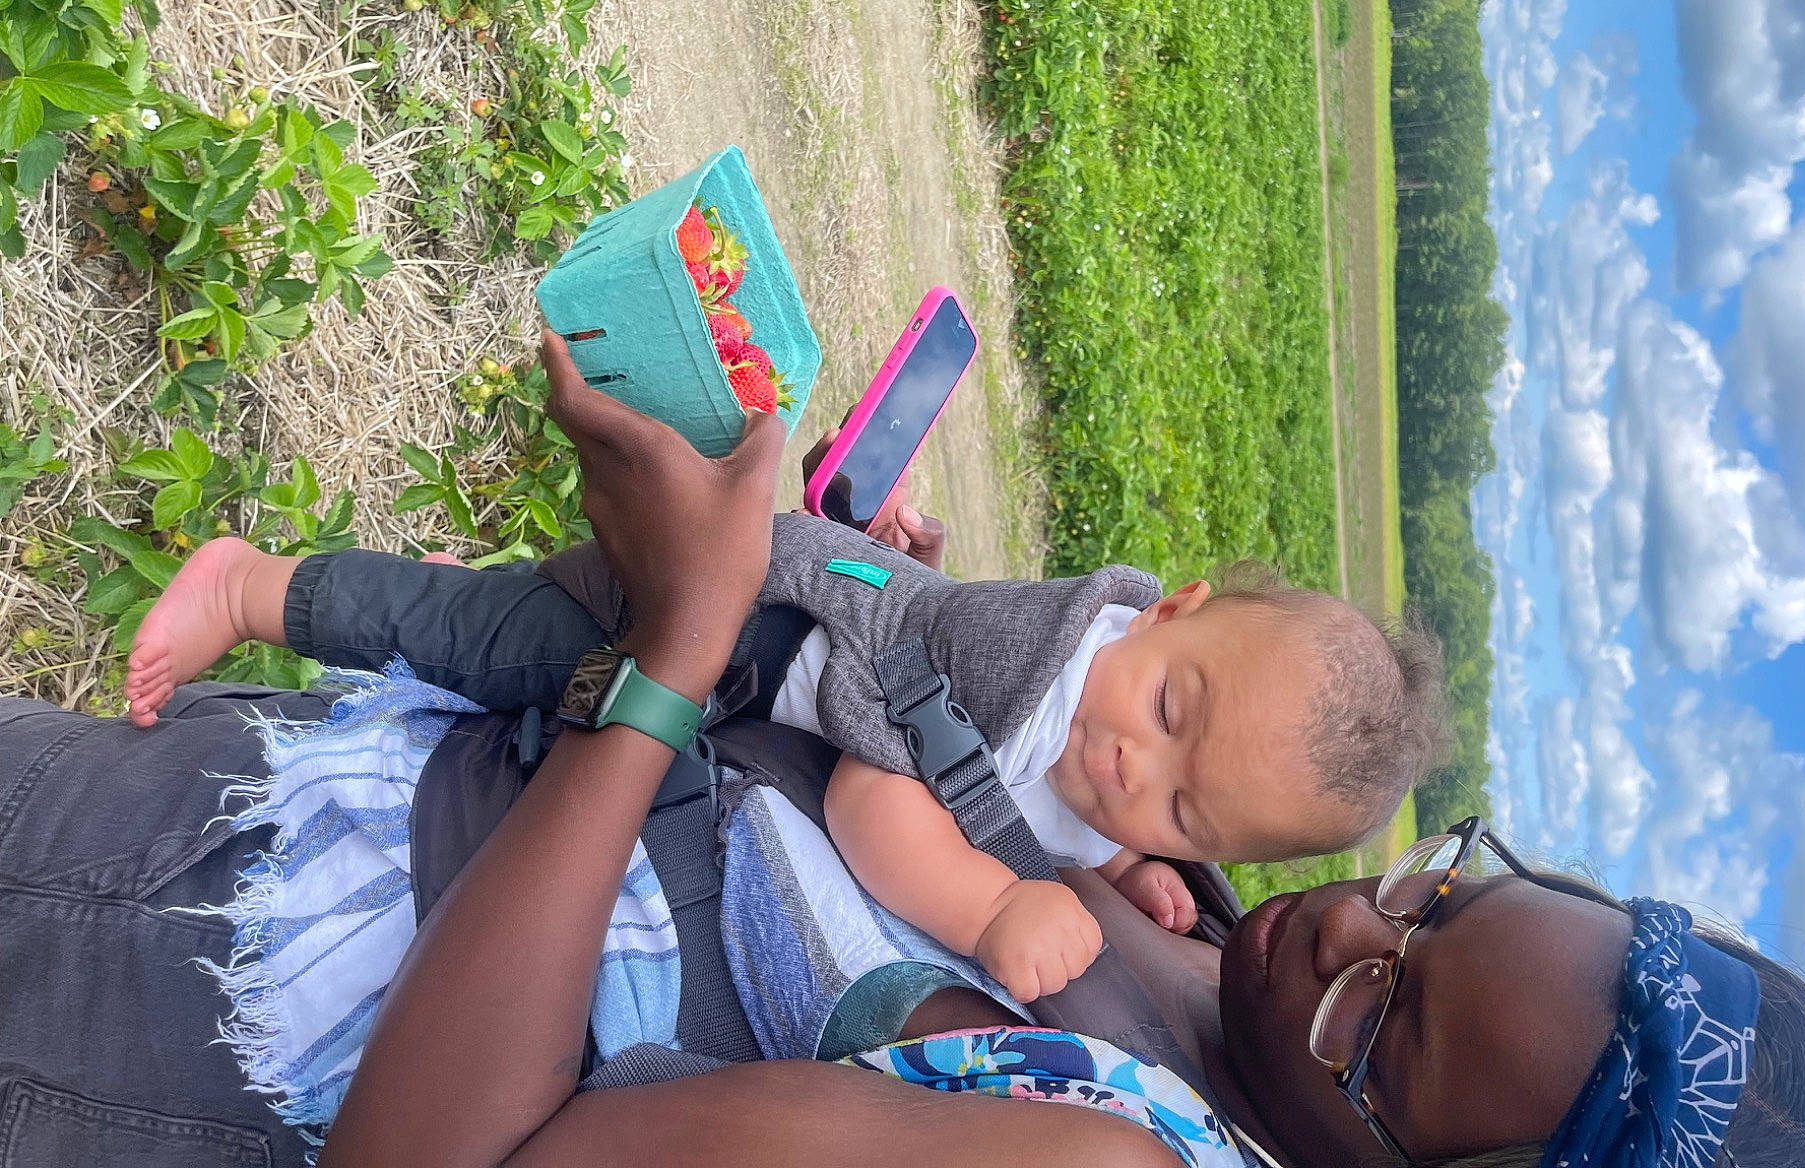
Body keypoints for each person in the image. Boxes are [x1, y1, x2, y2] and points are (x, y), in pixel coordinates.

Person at [0, 336, 1805, 1167]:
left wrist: (673, 652)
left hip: (200, 1045)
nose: (1338, 941)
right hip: (303, 822)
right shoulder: (1198, 907)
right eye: (1434, 899)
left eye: (1381, 1034)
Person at [122, 461, 1443, 1008]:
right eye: (1168, 714)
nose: (1125, 769)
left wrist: (1114, 868)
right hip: (737, 614)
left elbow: (1037, 795)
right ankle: (253, 586)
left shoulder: (1109, 739)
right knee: (500, 645)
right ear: (1179, 606)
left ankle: (458, 596)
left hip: (748, 680)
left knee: (509, 662)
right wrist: (989, 909)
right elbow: (885, 800)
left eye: (1187, 812)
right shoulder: (1051, 670)